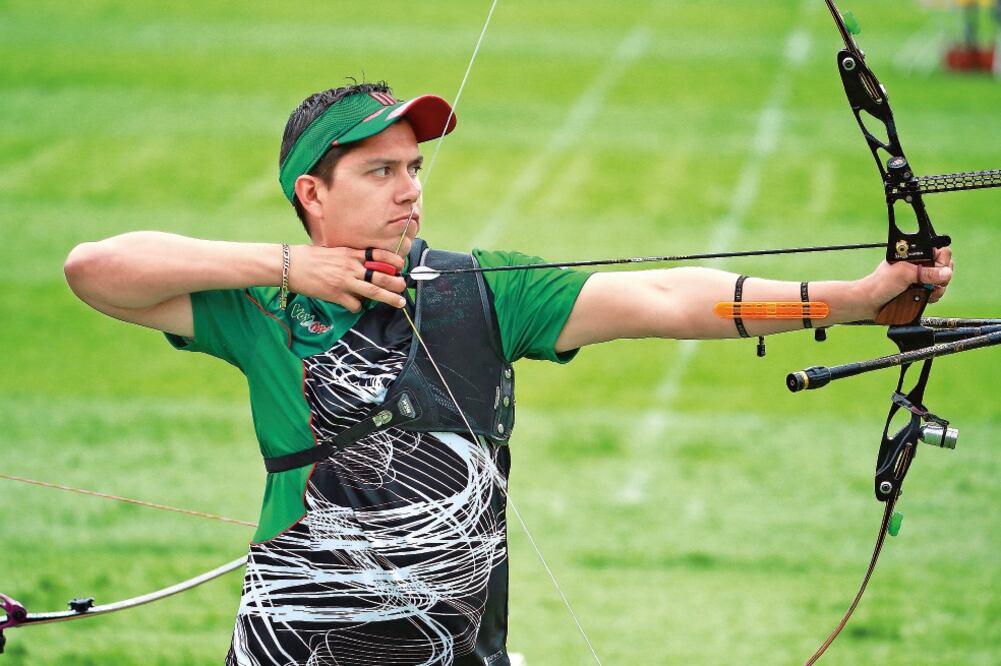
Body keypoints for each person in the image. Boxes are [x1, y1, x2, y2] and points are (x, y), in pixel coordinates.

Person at [63, 81, 954, 666]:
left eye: (413, 167)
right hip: (297, 646)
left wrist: (850, 298)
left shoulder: (484, 289)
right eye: (379, 171)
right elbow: (93, 269)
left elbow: (671, 299)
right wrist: (286, 268)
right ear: (312, 194)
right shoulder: (257, 306)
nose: (410, 189)